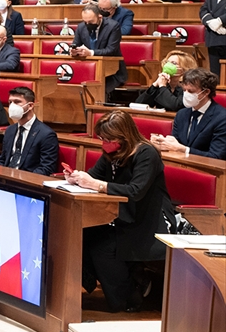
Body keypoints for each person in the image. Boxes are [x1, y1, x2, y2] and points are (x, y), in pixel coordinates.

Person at [66, 111, 171, 312]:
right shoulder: (112, 153)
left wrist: (96, 185)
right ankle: (132, 282)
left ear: (124, 136)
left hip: (147, 220)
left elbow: (135, 191)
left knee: (102, 245)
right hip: (119, 215)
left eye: (109, 139)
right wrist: (77, 178)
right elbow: (94, 176)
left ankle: (128, 297)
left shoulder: (146, 153)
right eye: (102, 139)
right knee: (83, 233)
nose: (105, 143)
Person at [151, 68, 226, 159]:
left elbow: (217, 156)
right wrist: (163, 144)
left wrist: (184, 150)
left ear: (206, 92)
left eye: (191, 91)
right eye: (184, 90)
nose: (186, 95)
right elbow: (175, 143)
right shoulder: (181, 114)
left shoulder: (222, 118)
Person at [0, 87, 58, 174]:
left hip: (27, 179)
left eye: (17, 102)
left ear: (30, 106)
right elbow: (2, 160)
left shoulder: (46, 134)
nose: (12, 106)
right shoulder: (10, 130)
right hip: (6, 177)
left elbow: (46, 168)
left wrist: (21, 177)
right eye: (10, 102)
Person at [72, 3, 127, 99]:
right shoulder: (81, 27)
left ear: (99, 17)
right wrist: (74, 51)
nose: (87, 24)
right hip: (87, 71)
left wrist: (91, 53)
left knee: (98, 89)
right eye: (85, 22)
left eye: (91, 22)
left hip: (112, 72)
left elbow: (111, 50)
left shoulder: (113, 26)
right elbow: (76, 44)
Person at [201, 0, 226, 75]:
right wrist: (211, 23)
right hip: (213, 38)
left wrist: (220, 21)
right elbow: (203, 10)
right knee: (215, 74)